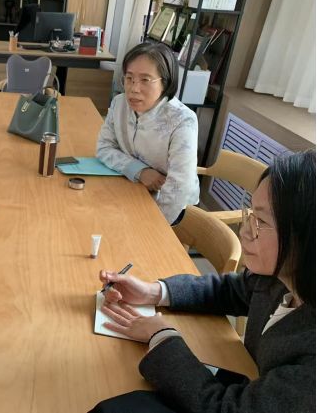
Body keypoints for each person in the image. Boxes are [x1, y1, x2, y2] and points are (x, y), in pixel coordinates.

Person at [91, 150, 316, 413]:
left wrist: (162, 336)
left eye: (261, 221)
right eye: (251, 214)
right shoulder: (283, 275)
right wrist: (154, 292)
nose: (245, 230)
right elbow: (231, 289)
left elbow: (225, 409)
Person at [96, 42, 199, 225]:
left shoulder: (182, 120)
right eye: (129, 78)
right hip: (132, 185)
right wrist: (140, 171)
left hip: (171, 208)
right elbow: (104, 148)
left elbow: (179, 188)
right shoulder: (119, 103)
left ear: (165, 82)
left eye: (145, 80)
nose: (134, 88)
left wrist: (152, 226)